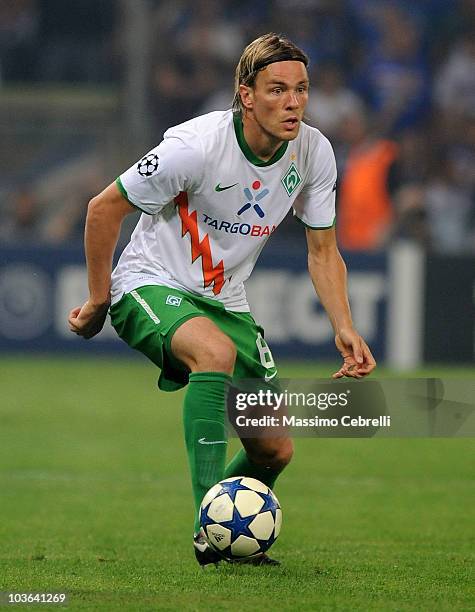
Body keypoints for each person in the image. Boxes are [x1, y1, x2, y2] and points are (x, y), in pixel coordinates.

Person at [68, 33, 376, 566]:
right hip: (150, 282)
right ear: (246, 94)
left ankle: (227, 524)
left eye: (301, 89)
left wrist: (343, 324)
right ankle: (208, 531)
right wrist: (98, 299)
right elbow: (102, 209)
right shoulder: (195, 146)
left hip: (225, 301)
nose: (293, 102)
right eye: (277, 89)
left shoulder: (313, 152)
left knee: (274, 449)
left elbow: (323, 250)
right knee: (213, 354)